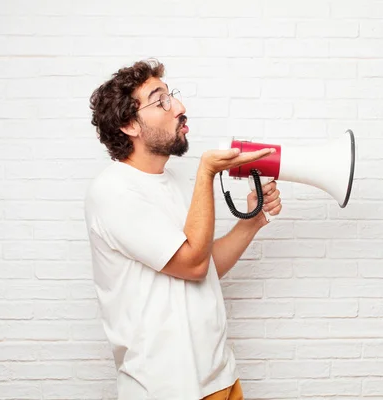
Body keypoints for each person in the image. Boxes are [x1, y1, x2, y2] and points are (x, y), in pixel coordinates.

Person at [84, 58, 282, 400]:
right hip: (167, 388)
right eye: (161, 100)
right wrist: (207, 172)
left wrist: (253, 220)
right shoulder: (113, 191)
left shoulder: (173, 180)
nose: (179, 107)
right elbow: (192, 264)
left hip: (219, 376)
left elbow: (205, 265)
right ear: (129, 124)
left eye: (171, 95)